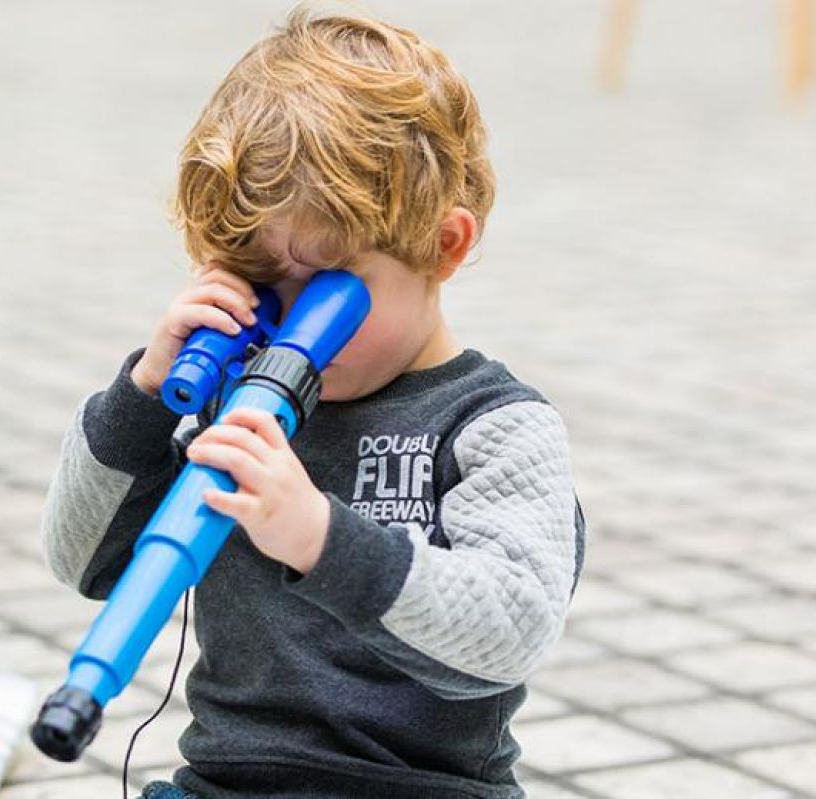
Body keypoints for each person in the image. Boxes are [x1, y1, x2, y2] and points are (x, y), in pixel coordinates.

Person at [39, 5, 586, 798]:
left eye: (325, 287)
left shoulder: (494, 427)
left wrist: (321, 538)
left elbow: (508, 630)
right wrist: (146, 394)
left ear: (444, 245)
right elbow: (82, 561)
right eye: (258, 283)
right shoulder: (231, 398)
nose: (284, 325)